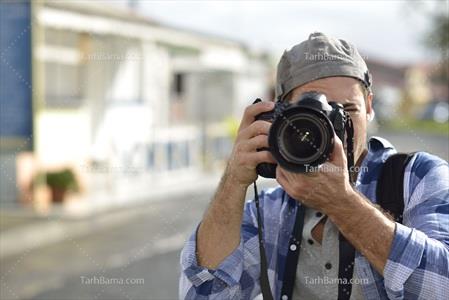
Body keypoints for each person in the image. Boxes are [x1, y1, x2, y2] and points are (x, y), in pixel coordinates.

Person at [179, 32, 449, 300]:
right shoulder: (271, 210)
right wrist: (233, 181)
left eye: (346, 111)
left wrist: (342, 203)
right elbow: (204, 294)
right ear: (278, 116)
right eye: (315, 115)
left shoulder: (417, 178)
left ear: (369, 106)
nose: (333, 132)